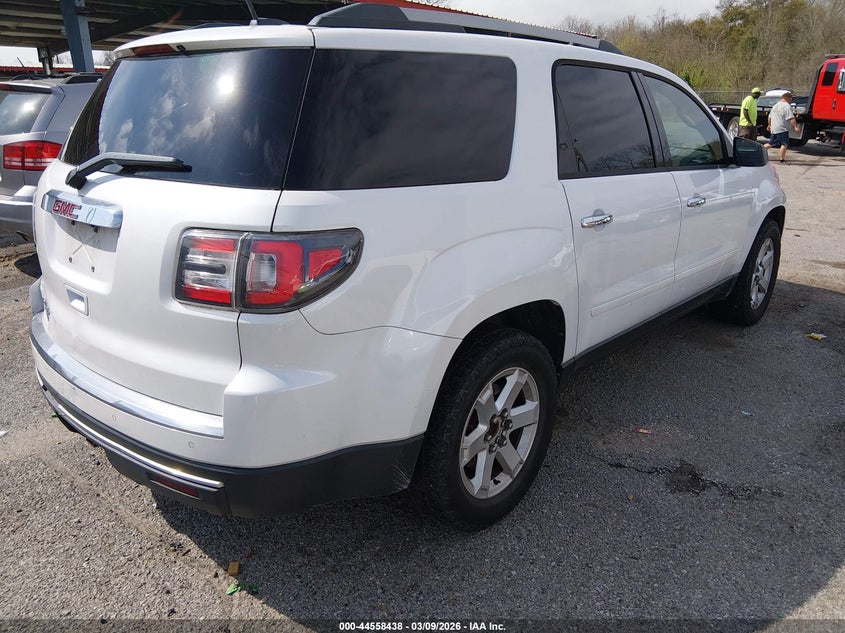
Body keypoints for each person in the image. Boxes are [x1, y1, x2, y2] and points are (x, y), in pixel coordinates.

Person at [763, 91, 801, 163]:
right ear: (789, 98)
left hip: (775, 128)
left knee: (770, 143)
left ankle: (758, 152)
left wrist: (769, 125)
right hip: (782, 129)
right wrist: (796, 127)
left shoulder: (775, 105)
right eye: (791, 99)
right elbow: (791, 118)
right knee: (784, 144)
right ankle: (782, 159)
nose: (791, 101)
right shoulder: (786, 106)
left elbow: (769, 117)